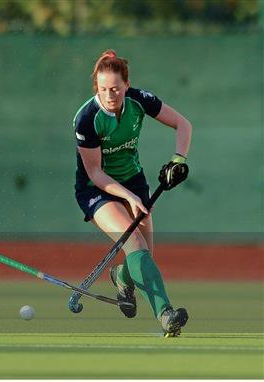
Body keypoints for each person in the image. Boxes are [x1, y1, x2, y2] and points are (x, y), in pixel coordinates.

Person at [71, 50, 192, 337]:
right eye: (102, 90)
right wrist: (127, 197)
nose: (110, 95)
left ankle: (122, 277)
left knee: (143, 255)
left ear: (126, 85)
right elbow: (95, 173)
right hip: (96, 189)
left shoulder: (140, 101)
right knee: (135, 241)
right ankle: (166, 315)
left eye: (115, 88)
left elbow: (183, 124)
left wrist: (178, 159)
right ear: (96, 89)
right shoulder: (87, 119)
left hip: (134, 182)